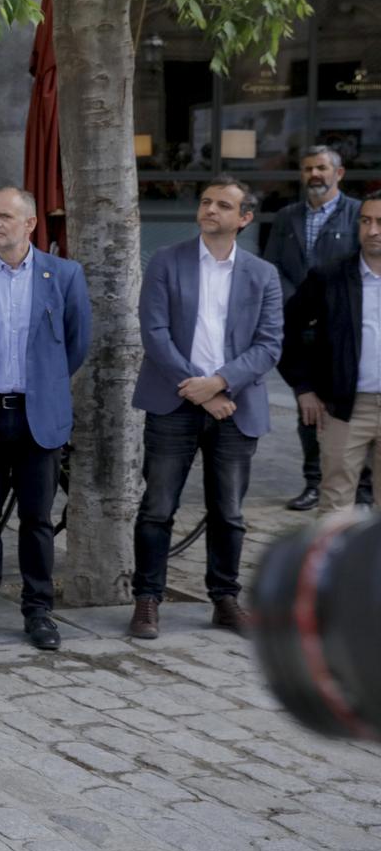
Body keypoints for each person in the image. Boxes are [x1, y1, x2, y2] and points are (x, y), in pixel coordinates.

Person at [129, 177, 284, 639]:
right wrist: (197, 389)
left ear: (244, 218)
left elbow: (269, 345)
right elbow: (154, 333)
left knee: (229, 511)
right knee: (157, 506)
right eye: (206, 202)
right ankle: (147, 599)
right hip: (172, 402)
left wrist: (219, 384)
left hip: (236, 407)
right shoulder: (165, 262)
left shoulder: (263, 274)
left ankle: (224, 598)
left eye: (223, 205)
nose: (210, 210)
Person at [0, 188, 92, 651]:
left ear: (30, 224)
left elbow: (75, 341)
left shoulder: (63, 274)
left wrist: (43, 382)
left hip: (37, 416)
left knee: (37, 519)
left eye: (6, 215)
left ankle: (38, 611)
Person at [264, 146, 367, 511]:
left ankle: (363, 485)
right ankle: (314, 481)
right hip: (301, 328)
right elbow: (272, 265)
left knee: (353, 406)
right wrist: (296, 305)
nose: (314, 174)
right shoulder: (286, 216)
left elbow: (362, 266)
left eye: (321, 167)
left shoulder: (358, 214)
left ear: (338, 173)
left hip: (343, 328)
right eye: (308, 168)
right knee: (308, 407)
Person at [279, 190, 381, 515]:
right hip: (345, 407)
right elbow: (286, 328)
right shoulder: (330, 277)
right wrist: (303, 387)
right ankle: (330, 567)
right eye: (366, 221)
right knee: (335, 503)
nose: (373, 230)